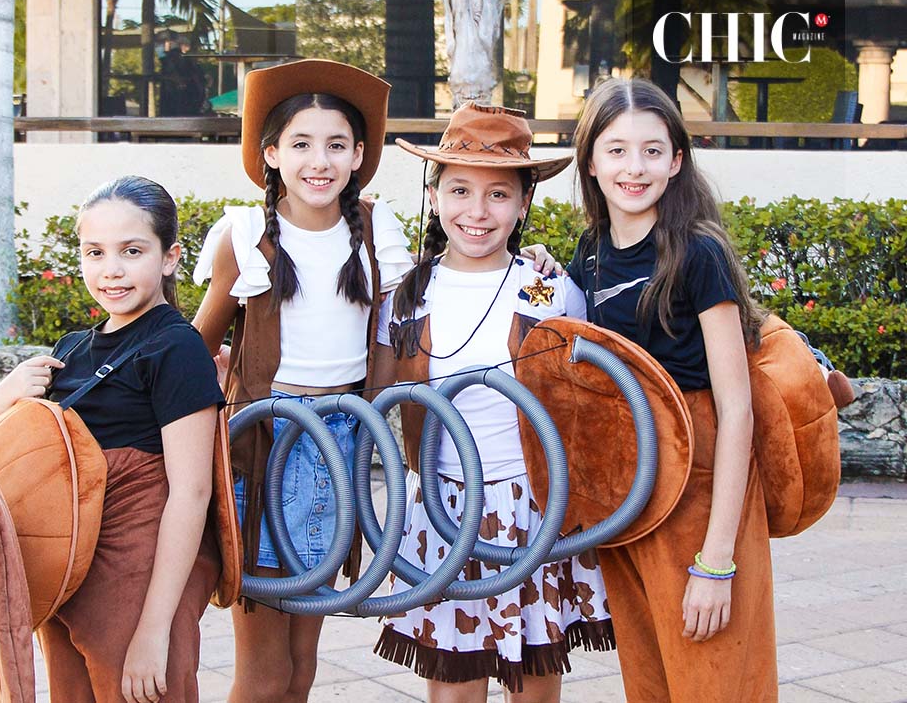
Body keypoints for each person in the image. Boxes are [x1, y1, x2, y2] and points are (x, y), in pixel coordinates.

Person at [371, 103, 613, 703]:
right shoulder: (405, 297)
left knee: (534, 680)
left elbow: (584, 397)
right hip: (444, 504)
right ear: (434, 196)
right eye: (459, 190)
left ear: (524, 203)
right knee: (455, 682)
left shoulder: (549, 288)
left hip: (530, 504)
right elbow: (377, 398)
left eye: (498, 195)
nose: (476, 213)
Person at [191, 58, 413, 703]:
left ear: (359, 155)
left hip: (341, 443)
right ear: (272, 153)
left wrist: (373, 420)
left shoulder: (374, 230)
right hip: (262, 449)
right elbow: (198, 343)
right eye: (302, 144)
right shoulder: (246, 234)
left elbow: (391, 337)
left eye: (336, 145)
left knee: (302, 663)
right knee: (263, 670)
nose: (320, 161)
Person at [566, 77, 776, 702]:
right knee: (652, 684)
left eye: (653, 151)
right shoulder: (591, 253)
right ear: (592, 162)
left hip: (704, 489)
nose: (635, 167)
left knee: (716, 681)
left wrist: (717, 560)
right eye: (618, 150)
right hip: (633, 495)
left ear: (677, 160)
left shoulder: (697, 253)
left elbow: (736, 410)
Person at [0, 175, 224, 703]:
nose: (111, 270)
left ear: (169, 257)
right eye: (95, 252)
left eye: (131, 250)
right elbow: (22, 459)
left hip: (135, 576)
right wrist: (0, 403)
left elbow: (191, 494)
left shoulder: (175, 347)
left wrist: (152, 630)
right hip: (67, 566)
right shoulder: (70, 349)